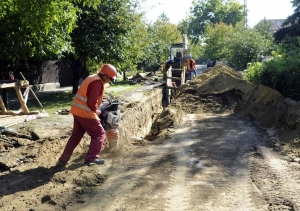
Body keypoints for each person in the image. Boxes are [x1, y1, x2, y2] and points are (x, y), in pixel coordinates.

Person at [57, 64, 117, 166]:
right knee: (99, 134)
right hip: (86, 113)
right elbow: (91, 102)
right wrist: (96, 110)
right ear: (106, 76)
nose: (109, 81)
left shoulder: (92, 77)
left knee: (75, 136)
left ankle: (62, 160)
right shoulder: (97, 83)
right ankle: (91, 158)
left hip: (77, 111)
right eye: (110, 79)